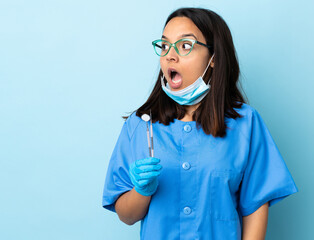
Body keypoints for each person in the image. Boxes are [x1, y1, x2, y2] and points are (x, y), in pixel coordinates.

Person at [102, 7, 298, 240]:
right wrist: (141, 191)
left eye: (185, 46)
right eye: (164, 46)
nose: (170, 55)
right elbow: (127, 216)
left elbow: (255, 208)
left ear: (213, 58)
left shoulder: (246, 124)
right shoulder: (140, 125)